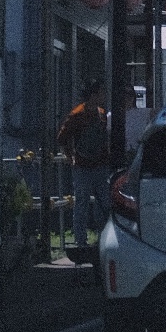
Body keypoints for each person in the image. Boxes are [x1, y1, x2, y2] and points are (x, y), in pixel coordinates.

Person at [57, 78, 111, 250]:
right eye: (101, 92)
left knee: (104, 203)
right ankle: (81, 241)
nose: (104, 95)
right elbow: (62, 138)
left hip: (100, 166)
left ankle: (103, 237)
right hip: (83, 167)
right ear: (93, 94)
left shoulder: (102, 114)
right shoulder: (77, 115)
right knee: (82, 203)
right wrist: (70, 156)